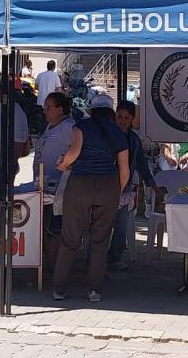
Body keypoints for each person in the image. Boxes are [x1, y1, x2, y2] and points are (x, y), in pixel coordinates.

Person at [53, 94, 129, 302]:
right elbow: (124, 170)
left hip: (80, 183)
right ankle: (95, 289)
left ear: (92, 110)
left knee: (71, 237)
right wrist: (116, 191)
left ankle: (59, 288)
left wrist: (62, 165)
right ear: (110, 112)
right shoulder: (118, 132)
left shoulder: (81, 126)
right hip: (108, 184)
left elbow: (74, 152)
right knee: (100, 239)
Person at [108, 100, 156, 271]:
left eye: (126, 118)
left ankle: (114, 259)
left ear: (132, 120)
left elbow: (141, 163)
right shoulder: (107, 134)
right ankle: (96, 261)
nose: (122, 121)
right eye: (119, 117)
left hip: (125, 187)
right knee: (102, 226)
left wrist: (151, 183)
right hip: (105, 186)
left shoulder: (134, 140)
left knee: (121, 226)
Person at [34, 92, 75, 268]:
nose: (45, 110)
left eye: (49, 107)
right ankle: (46, 262)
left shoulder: (68, 127)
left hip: (59, 189)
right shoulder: (49, 126)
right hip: (43, 185)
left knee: (54, 228)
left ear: (60, 109)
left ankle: (54, 265)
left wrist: (67, 165)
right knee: (44, 226)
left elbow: (78, 150)